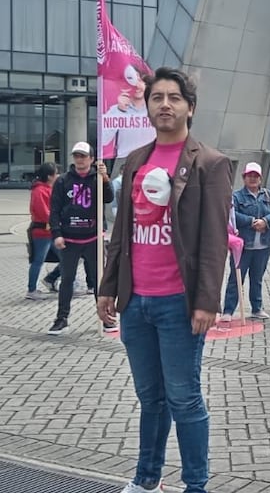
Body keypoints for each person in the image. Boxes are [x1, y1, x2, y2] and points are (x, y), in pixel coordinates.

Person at [97, 67, 233, 493]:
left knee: (184, 399)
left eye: (174, 98)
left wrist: (207, 301)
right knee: (150, 399)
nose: (165, 105)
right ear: (147, 106)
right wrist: (107, 285)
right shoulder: (135, 160)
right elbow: (122, 232)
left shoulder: (210, 163)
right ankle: (146, 480)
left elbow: (214, 240)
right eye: (157, 98)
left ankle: (196, 485)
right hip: (135, 303)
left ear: (190, 108)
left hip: (180, 303)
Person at [48, 141, 113, 335]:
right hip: (69, 239)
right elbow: (55, 210)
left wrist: (105, 178)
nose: (80, 160)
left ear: (92, 159)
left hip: (92, 238)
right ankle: (61, 319)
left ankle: (106, 318)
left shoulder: (96, 179)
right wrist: (57, 234)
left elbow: (108, 198)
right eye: (76, 156)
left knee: (98, 280)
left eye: (83, 156)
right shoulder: (63, 181)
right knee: (67, 280)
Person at [224, 163, 270, 322]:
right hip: (242, 246)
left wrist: (265, 221)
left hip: (264, 245)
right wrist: (251, 222)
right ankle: (228, 310)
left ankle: (257, 308)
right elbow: (231, 214)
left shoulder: (269, 195)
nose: (253, 178)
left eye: (256, 176)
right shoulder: (236, 196)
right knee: (236, 279)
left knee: (257, 278)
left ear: (261, 178)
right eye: (249, 175)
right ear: (244, 177)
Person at [99, 63, 152, 159]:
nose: (136, 85)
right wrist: (120, 111)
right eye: (131, 80)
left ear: (146, 84)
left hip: (151, 161)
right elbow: (102, 140)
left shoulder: (155, 109)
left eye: (139, 80)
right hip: (124, 161)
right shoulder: (116, 109)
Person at [26, 162, 60, 301]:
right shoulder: (39, 190)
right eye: (55, 173)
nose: (57, 175)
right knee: (38, 261)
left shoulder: (47, 188)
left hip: (50, 231)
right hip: (42, 232)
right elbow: (43, 212)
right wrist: (56, 220)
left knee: (65, 258)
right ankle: (31, 289)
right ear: (49, 176)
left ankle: (51, 279)